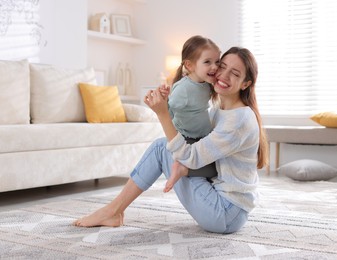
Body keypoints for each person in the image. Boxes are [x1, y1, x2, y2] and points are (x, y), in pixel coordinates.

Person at [73, 46, 269, 234]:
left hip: (226, 212)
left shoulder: (239, 119)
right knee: (166, 148)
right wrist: (168, 106)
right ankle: (114, 211)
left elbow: (191, 156)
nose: (224, 75)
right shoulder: (220, 112)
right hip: (227, 208)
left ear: (246, 84)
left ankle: (113, 211)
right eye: (222, 66)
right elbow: (193, 145)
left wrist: (163, 115)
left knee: (161, 148)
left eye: (235, 73)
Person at [164, 35, 221, 193]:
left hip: (202, 136)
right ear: (189, 65)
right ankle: (182, 169)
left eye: (217, 61)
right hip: (188, 138)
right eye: (207, 62)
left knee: (220, 166)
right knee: (214, 168)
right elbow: (169, 110)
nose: (215, 67)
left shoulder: (206, 83)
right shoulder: (183, 89)